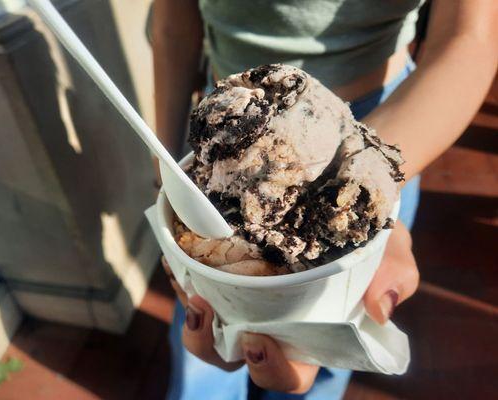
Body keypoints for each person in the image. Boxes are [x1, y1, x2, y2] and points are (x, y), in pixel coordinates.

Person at [151, 1, 498, 398]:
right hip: (228, 131)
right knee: (205, 347)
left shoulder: (368, 162)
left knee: (320, 359)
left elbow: (469, 35)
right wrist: (161, 164)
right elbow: (172, 25)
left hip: (392, 128)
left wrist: (365, 183)